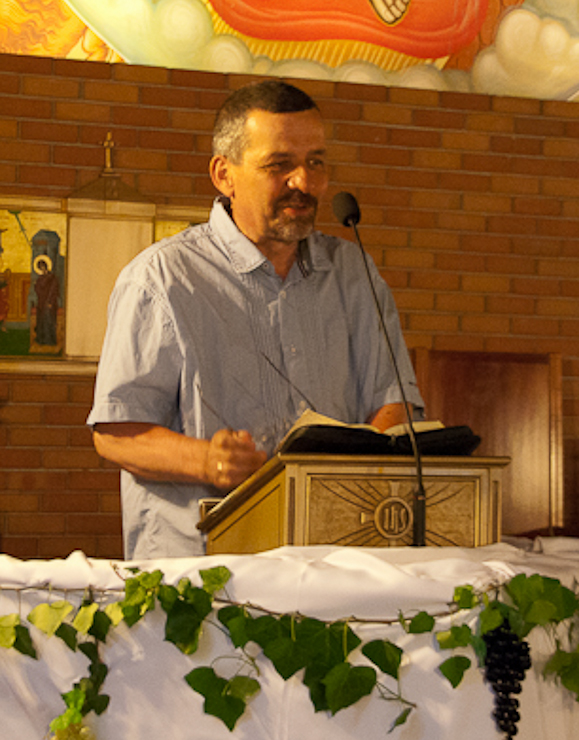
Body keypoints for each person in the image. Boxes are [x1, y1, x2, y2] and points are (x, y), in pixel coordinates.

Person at [88, 80, 423, 560]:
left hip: (334, 562)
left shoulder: (353, 273)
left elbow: (394, 403)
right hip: (205, 571)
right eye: (279, 165)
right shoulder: (162, 279)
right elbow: (116, 433)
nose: (303, 182)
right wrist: (206, 459)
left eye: (316, 162)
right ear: (224, 174)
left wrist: (365, 456)